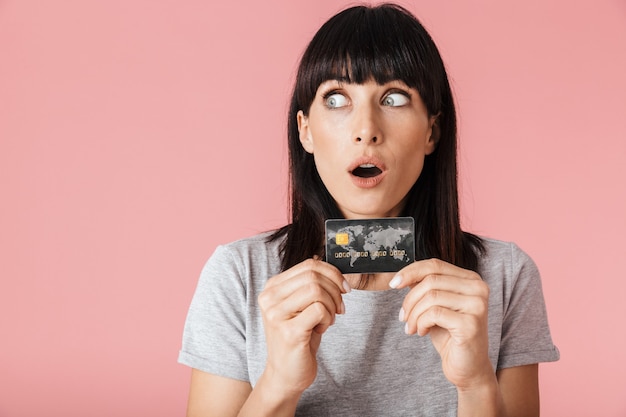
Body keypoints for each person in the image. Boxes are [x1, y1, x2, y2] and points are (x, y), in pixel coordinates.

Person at [178, 4, 559, 416]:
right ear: (305, 130)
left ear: (432, 131)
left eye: (394, 98)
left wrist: (476, 384)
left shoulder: (505, 277)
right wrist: (278, 384)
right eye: (337, 98)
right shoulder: (239, 275)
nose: (366, 129)